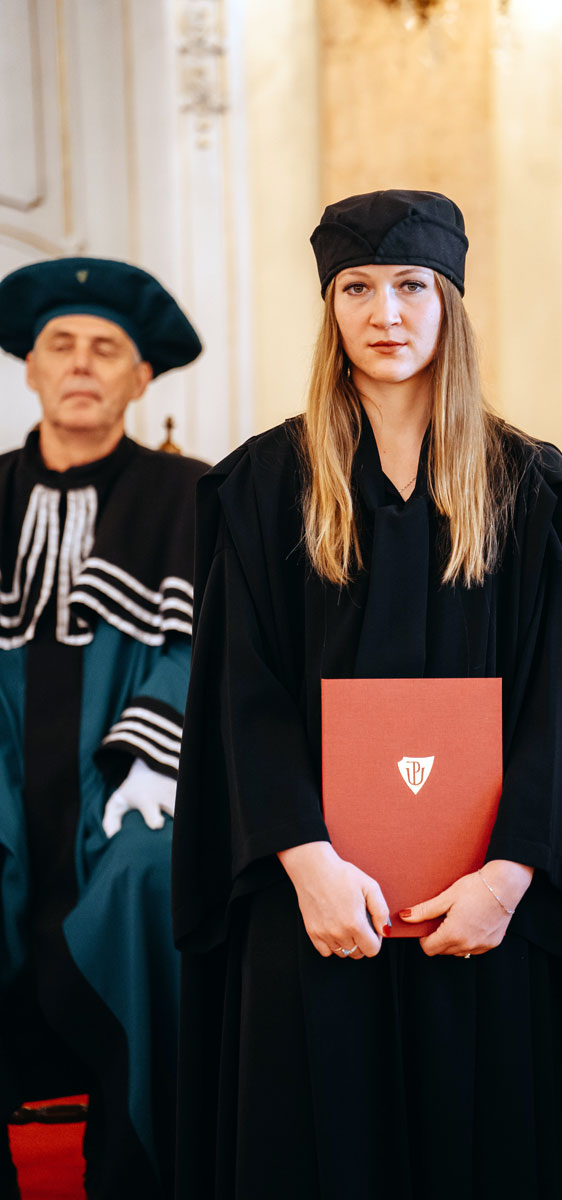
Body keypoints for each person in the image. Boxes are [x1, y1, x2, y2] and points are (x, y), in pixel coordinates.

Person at [173, 189, 562, 1200]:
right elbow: (243, 697)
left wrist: (507, 876)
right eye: (358, 288)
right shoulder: (262, 486)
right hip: (313, 891)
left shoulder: (522, 482)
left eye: (412, 286)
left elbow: (558, 699)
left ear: (449, 301)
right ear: (330, 307)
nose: (385, 313)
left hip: (476, 892)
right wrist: (309, 867)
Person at [0, 257, 206, 1199]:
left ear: (142, 378)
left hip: (129, 781)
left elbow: (208, 647)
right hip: (9, 780)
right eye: (61, 345)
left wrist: (155, 766)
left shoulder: (192, 495)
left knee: (151, 879)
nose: (81, 364)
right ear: (32, 368)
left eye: (106, 348)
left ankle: (137, 1176)